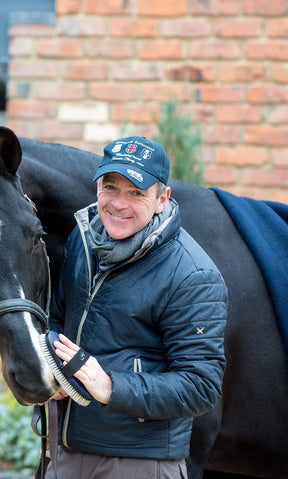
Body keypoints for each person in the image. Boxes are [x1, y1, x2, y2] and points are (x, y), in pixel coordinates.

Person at [47, 136, 228, 478]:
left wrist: (111, 386)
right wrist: (52, 369)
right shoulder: (82, 240)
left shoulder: (193, 275)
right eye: (111, 187)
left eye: (136, 193)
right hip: (67, 454)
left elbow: (201, 386)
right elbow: (59, 317)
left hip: (141, 464)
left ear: (162, 200)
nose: (118, 204)